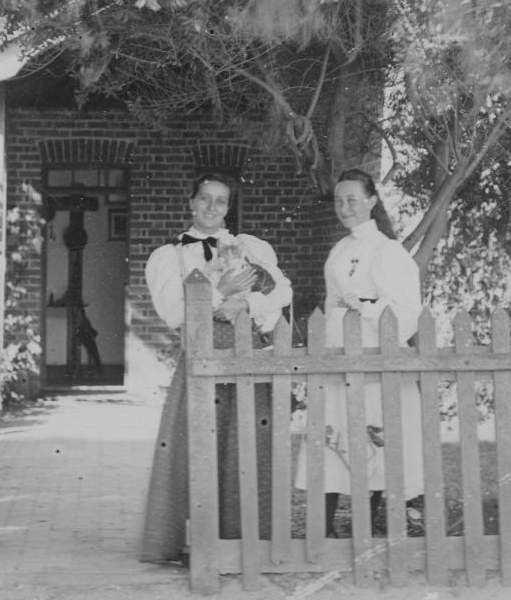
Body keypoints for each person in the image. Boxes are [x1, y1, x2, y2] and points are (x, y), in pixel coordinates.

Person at [139, 171, 292, 564]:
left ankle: (247, 541)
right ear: (191, 202)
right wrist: (218, 292)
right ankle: (193, 544)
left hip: (246, 355)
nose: (211, 207)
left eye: (220, 201)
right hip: (201, 355)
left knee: (246, 443)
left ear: (228, 208)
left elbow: (282, 290)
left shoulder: (249, 247)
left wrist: (248, 304)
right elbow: (173, 312)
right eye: (204, 199)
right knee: (196, 445)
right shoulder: (170, 255)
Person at [294, 168, 425, 537]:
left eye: (352, 199)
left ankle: (363, 530)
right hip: (339, 359)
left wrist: (366, 308)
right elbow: (329, 303)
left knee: (370, 440)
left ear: (371, 201)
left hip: (372, 359)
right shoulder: (339, 251)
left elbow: (408, 313)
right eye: (338, 200)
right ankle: (322, 531)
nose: (345, 207)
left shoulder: (388, 252)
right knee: (333, 437)